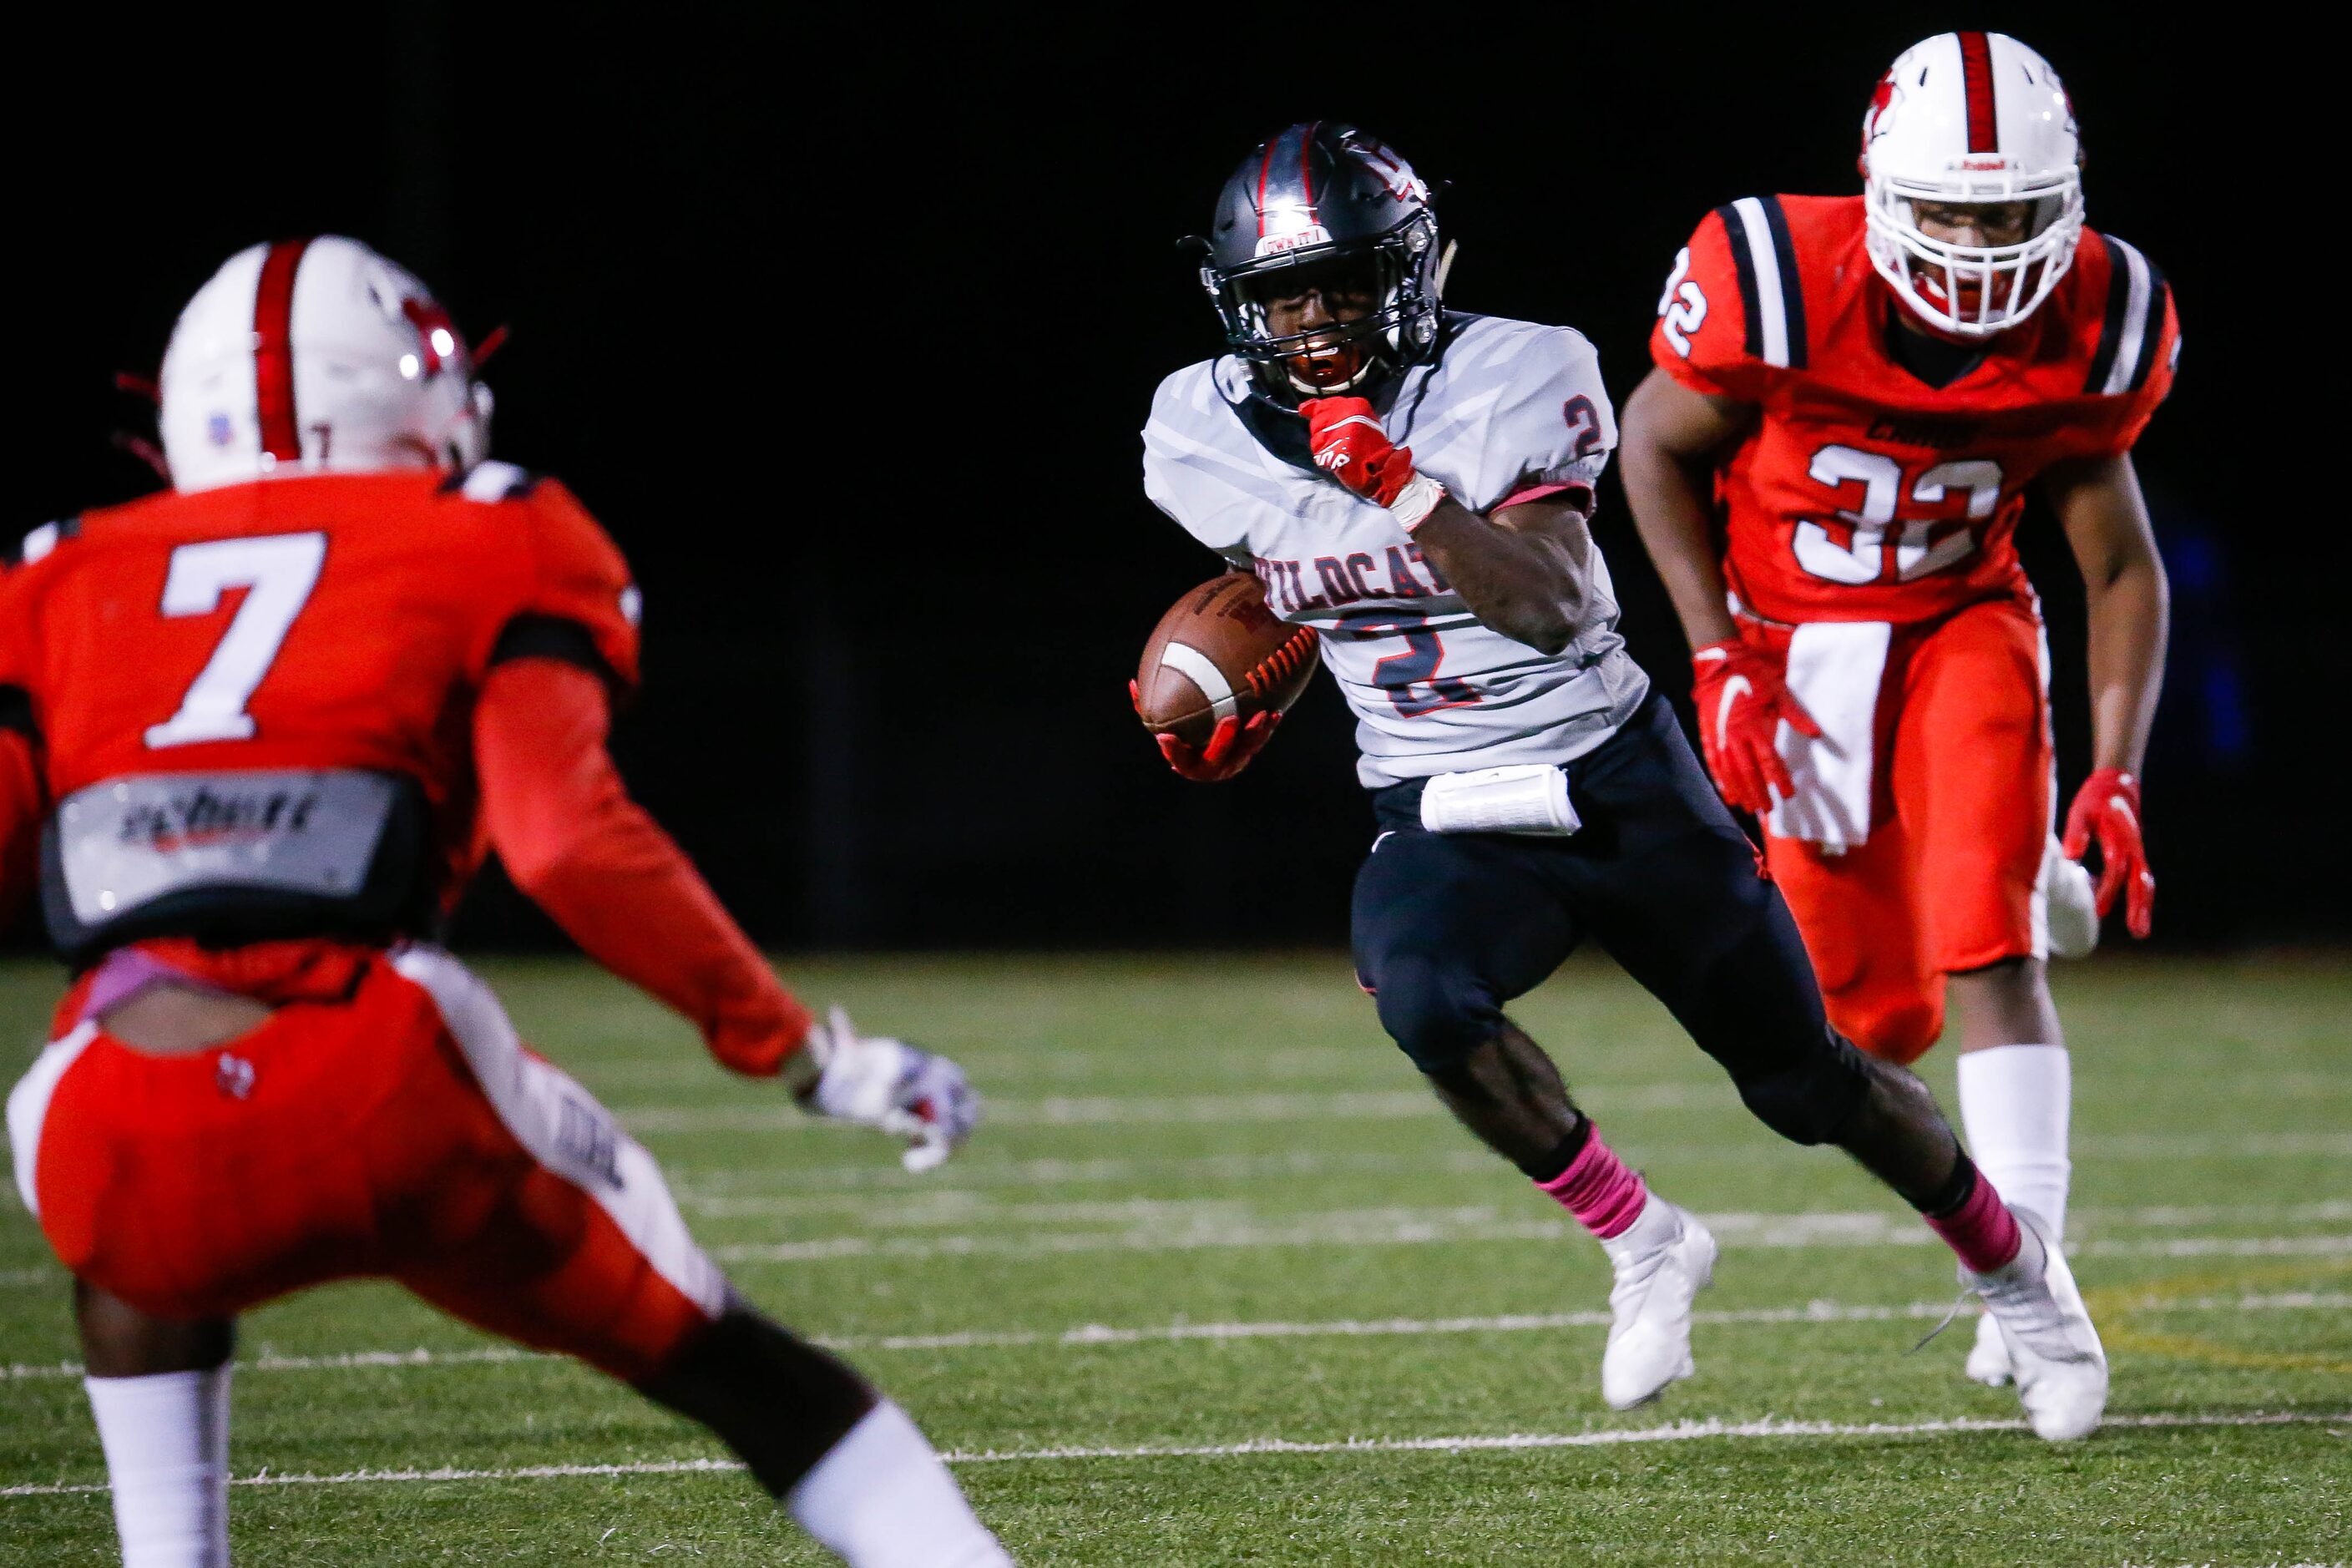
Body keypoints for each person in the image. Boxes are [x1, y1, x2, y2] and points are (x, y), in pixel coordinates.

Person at [0, 236, 1008, 1568]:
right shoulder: (497, 527)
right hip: (378, 1075)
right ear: (417, 395)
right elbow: (567, 844)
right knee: (744, 1371)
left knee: (128, 1204)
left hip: (106, 1113)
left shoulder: (53, 570)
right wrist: (805, 1051)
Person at [1139, 121, 2106, 1440]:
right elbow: (1303, 580)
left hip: (1608, 772)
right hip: (1435, 800)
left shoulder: (1513, 370)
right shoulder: (1190, 428)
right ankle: (1645, 1239)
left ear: (1412, 272)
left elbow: (1539, 603)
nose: (1314, 320)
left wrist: (1404, 486)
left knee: (1805, 1083)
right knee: (1422, 996)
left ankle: (2018, 1274)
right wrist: (1248, 671)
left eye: (1347, 285)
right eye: (1284, 295)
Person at [1618, 31, 2172, 1387]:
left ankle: (2029, 1276)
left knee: (1987, 951)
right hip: (1793, 647)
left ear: (2068, 201)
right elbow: (1651, 445)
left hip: (1956, 625)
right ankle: (1996, 855)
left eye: (2010, 212)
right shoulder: (1775, 279)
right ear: (1876, 188)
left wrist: (2119, 770)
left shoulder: (2101, 313)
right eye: (1948, 210)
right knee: (1866, 1025)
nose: (1981, 244)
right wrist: (1714, 656)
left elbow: (2116, 561)